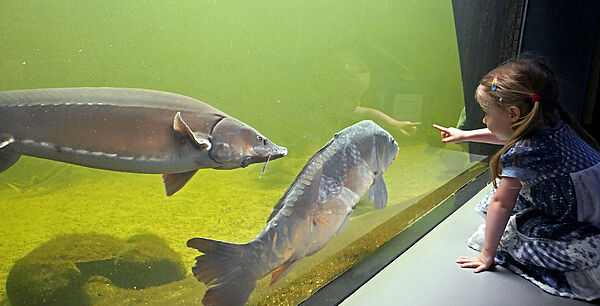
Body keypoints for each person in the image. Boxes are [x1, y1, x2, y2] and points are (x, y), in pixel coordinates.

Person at [433, 58, 600, 301]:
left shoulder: (524, 154)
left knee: (510, 233)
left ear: (513, 113)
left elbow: (501, 203)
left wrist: (486, 256)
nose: (483, 120)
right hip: (585, 199)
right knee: (489, 205)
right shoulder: (552, 122)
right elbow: (509, 133)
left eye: (486, 113)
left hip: (582, 220)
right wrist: (465, 135)